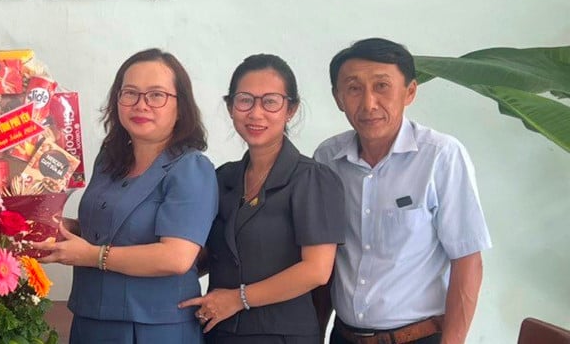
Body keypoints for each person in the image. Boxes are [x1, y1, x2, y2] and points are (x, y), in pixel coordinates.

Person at [314, 38, 491, 344]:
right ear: (338, 97)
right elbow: (323, 258)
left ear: (409, 92)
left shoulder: (441, 156)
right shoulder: (327, 159)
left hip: (418, 338)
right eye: (354, 88)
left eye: (382, 86)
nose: (369, 103)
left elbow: (467, 260)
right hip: (343, 337)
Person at [40, 48, 218, 344]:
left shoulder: (191, 168)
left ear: (181, 105)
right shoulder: (109, 161)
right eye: (130, 93)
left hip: (155, 327)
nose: (141, 105)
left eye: (156, 95)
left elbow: (176, 257)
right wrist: (63, 228)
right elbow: (113, 230)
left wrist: (92, 256)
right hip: (91, 317)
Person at [179, 54, 344, 344]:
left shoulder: (312, 178)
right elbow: (203, 256)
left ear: (290, 109)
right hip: (218, 330)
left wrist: (238, 299)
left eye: (270, 101)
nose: (256, 113)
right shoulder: (222, 178)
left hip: (282, 334)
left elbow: (316, 270)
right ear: (231, 107)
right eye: (245, 100)